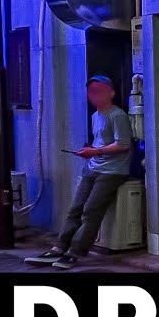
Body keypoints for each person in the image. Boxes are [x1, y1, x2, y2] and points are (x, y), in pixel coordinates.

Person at [25, 75, 132, 269]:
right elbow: (102, 142)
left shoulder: (118, 115)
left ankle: (75, 252)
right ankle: (58, 248)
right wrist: (89, 151)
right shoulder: (95, 116)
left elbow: (123, 144)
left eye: (100, 91)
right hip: (93, 166)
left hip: (112, 170)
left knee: (91, 210)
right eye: (91, 91)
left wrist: (95, 151)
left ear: (111, 93)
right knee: (75, 208)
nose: (95, 95)